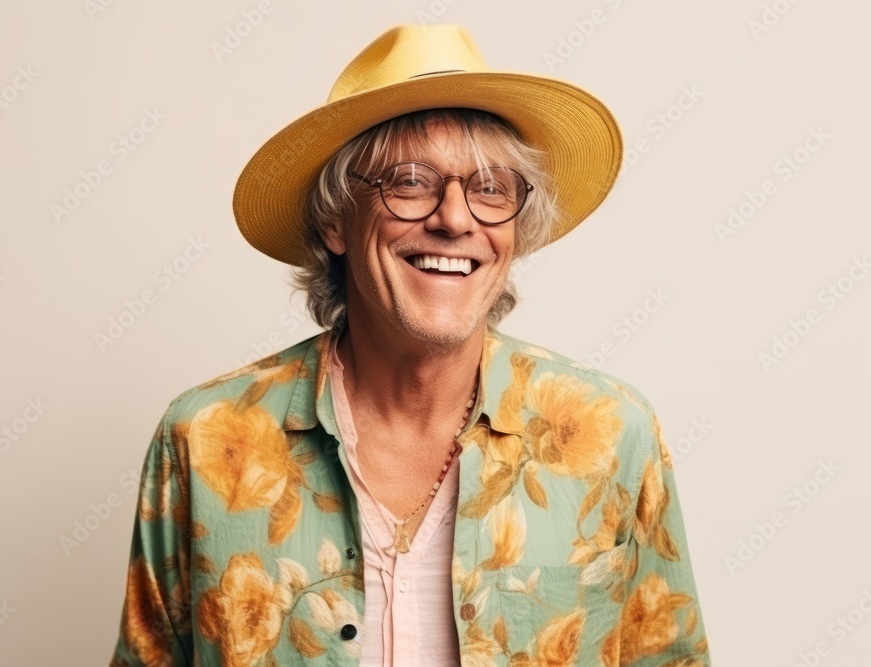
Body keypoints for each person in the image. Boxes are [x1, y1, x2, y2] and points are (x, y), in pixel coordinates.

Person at [109, 23, 711, 667]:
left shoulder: (612, 433)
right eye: (410, 181)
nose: (455, 219)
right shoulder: (203, 439)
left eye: (489, 189)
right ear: (337, 219)